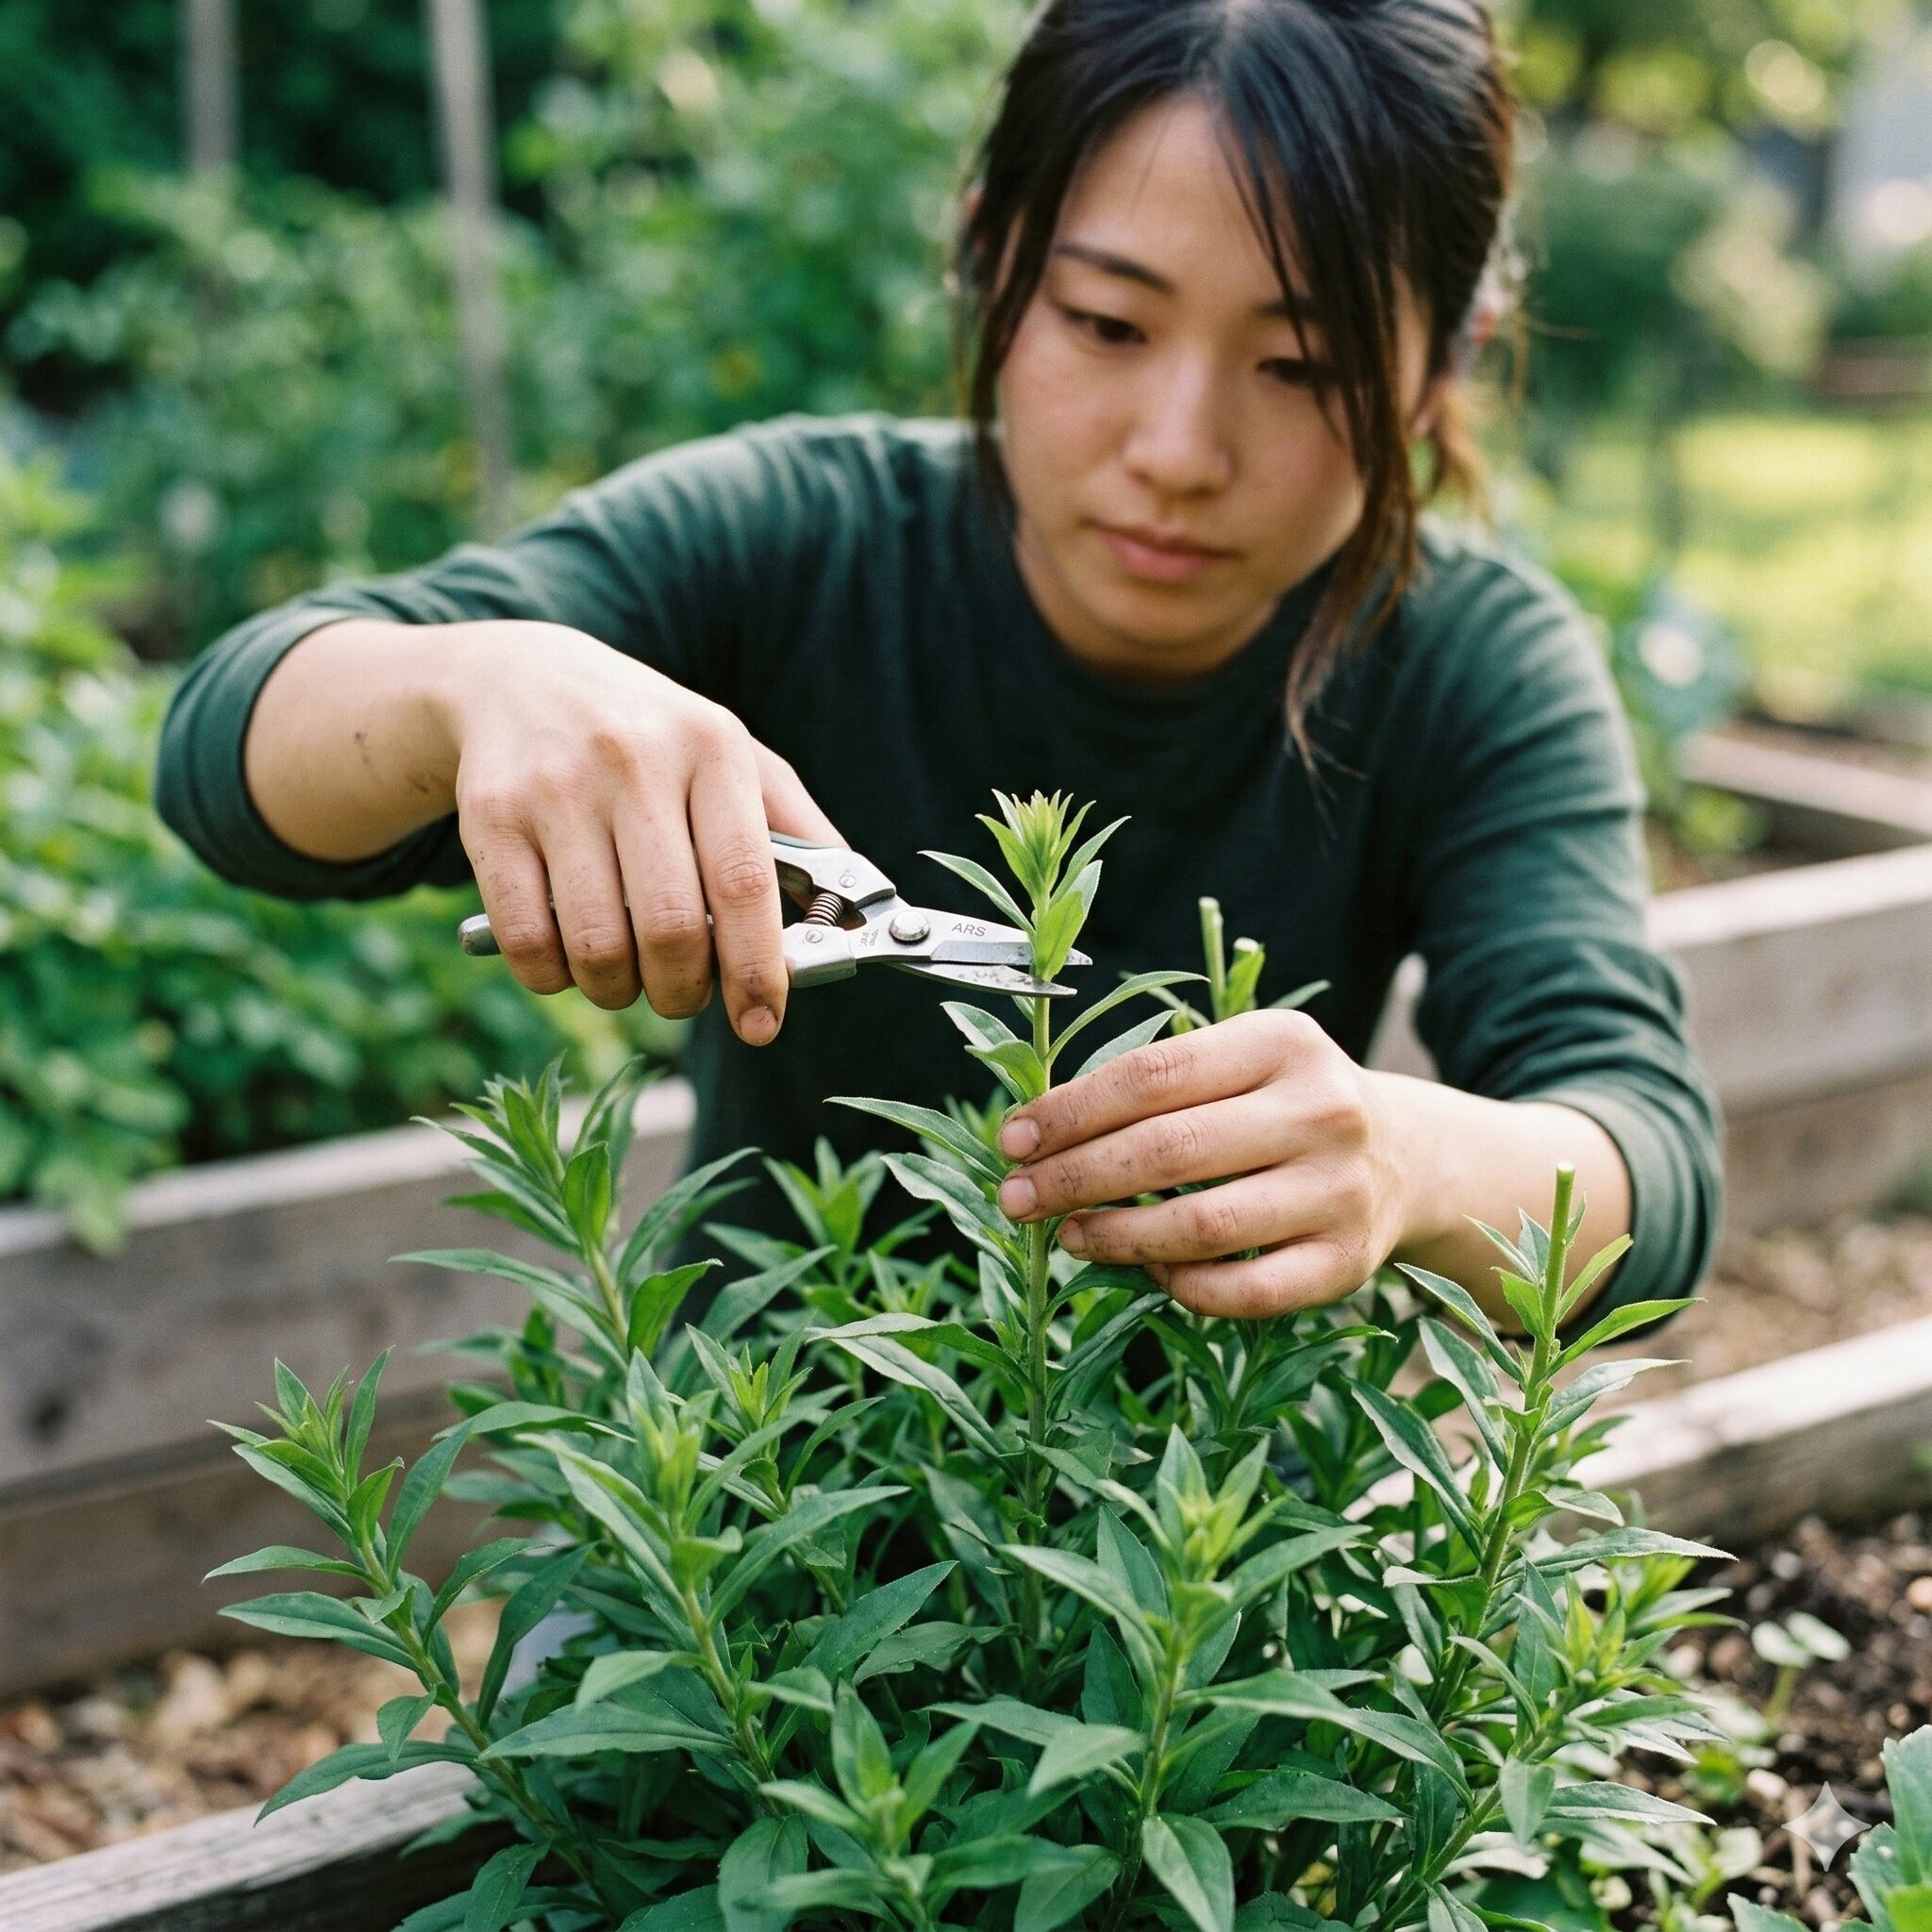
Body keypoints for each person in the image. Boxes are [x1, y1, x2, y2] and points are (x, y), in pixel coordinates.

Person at [157, 0, 1721, 1338]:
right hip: (739, 1535)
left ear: (1449, 352)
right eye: (1109, 323)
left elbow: (1648, 1166)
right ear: (994, 260)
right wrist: (472, 688)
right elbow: (225, 754)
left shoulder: (1474, 666)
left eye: (1299, 366)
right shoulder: (797, 537)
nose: (1178, 452)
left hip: (1213, 1580)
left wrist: (1413, 1163)